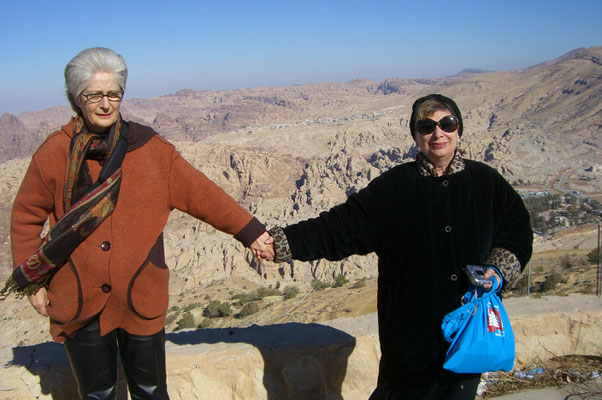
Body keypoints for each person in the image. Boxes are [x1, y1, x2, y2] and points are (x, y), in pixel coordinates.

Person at [2, 47, 273, 400]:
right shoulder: (55, 152)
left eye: (114, 94)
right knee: (97, 393)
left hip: (140, 295)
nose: (105, 104)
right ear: (75, 99)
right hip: (78, 297)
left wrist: (250, 232)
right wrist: (34, 279)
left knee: (150, 392)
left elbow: (203, 195)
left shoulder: (150, 149)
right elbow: (25, 216)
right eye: (94, 95)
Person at [265, 94, 533, 400]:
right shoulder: (392, 188)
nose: (438, 133)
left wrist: (497, 272)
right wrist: (281, 244)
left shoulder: (487, 183)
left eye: (447, 123)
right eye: (427, 126)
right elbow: (337, 229)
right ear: (415, 135)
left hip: (468, 334)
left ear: (459, 130)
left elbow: (517, 231)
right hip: (409, 342)